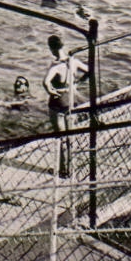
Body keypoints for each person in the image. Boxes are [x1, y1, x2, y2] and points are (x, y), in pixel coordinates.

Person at [43, 34, 86, 178]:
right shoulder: (73, 62)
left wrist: (51, 91)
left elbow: (45, 82)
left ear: (52, 48)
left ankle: (63, 170)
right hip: (71, 101)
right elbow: (90, 70)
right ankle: (71, 168)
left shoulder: (55, 65)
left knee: (61, 138)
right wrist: (78, 83)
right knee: (70, 137)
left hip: (57, 102)